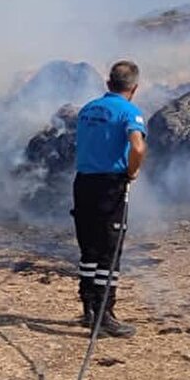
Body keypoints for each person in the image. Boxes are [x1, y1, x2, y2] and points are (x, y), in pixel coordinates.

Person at [72, 60, 147, 338]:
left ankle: (89, 308)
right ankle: (105, 314)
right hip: (109, 186)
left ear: (108, 84)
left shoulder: (88, 109)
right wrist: (133, 170)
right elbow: (137, 146)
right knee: (109, 252)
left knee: (88, 249)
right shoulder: (129, 111)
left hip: (83, 183)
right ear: (134, 88)